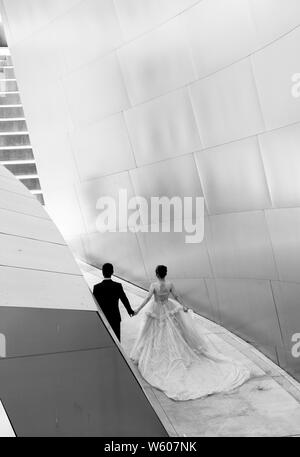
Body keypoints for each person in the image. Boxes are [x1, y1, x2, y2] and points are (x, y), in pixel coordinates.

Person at [130, 265, 251, 401]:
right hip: (169, 308)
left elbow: (147, 299)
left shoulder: (153, 286)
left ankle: (155, 354)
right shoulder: (170, 284)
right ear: (165, 274)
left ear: (157, 274)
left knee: (154, 334)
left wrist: (137, 310)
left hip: (156, 310)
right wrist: (183, 306)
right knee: (175, 333)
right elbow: (176, 296)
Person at [93, 263, 135, 342]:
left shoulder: (97, 287)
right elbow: (124, 299)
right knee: (116, 340)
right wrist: (130, 311)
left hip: (102, 318)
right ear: (112, 272)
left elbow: (94, 304)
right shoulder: (117, 286)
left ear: (102, 272)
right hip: (115, 317)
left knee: (103, 340)